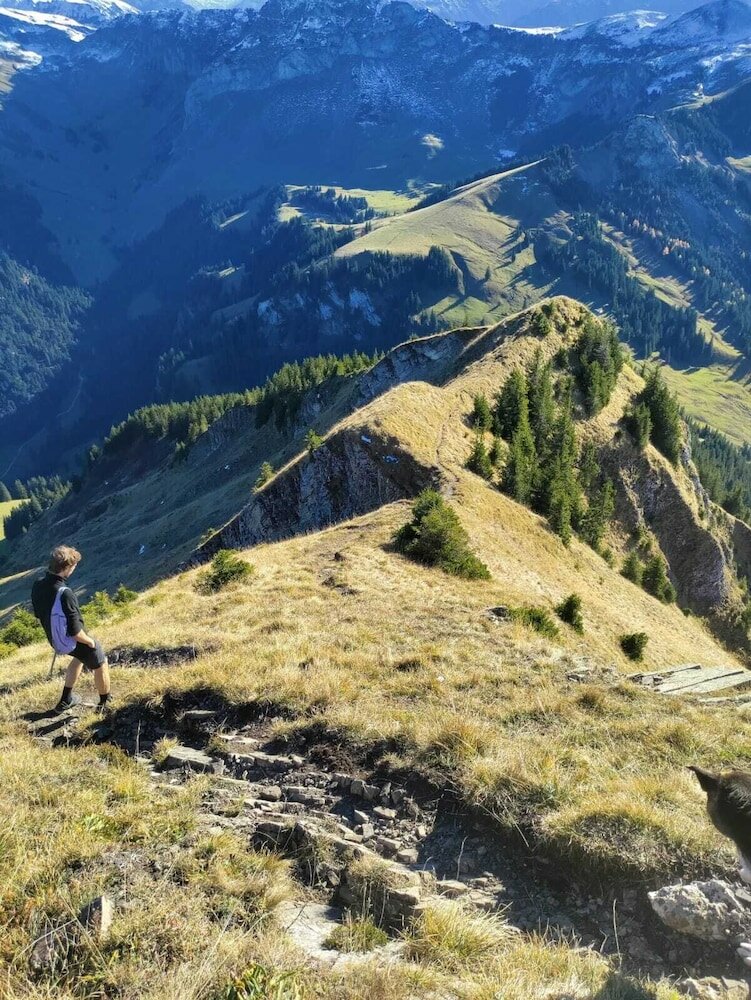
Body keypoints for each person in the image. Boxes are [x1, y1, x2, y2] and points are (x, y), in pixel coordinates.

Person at [31, 545, 112, 713]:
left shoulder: (38, 585)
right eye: (74, 566)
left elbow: (39, 614)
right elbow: (76, 632)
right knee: (99, 659)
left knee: (79, 657)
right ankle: (105, 703)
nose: (74, 568)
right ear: (67, 567)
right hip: (68, 639)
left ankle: (66, 699)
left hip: (55, 638)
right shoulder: (65, 593)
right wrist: (90, 642)